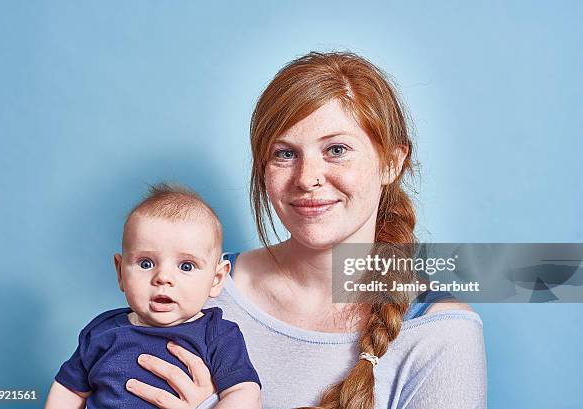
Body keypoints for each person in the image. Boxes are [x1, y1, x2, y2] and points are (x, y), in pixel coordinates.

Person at [124, 52, 486, 409]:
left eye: (337, 149)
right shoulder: (195, 289)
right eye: (284, 153)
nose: (307, 178)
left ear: (392, 162)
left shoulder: (441, 333)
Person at [45, 184, 262, 409]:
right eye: (146, 263)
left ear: (216, 280)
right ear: (120, 272)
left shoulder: (219, 336)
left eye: (186, 266)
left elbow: (244, 393)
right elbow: (68, 389)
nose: (163, 277)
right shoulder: (101, 331)